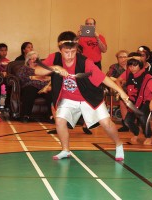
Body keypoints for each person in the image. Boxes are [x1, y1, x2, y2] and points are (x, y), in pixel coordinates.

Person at [42, 31, 128, 161]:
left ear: (76, 48)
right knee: (59, 120)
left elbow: (103, 78)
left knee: (106, 123)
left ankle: (118, 144)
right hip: (68, 99)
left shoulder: (85, 62)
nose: (70, 55)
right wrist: (55, 68)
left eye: (73, 51)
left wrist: (120, 91)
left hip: (88, 97)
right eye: (66, 52)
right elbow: (38, 69)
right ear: (60, 49)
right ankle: (65, 150)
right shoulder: (54, 58)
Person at [117, 52, 152, 145]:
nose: (132, 68)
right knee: (127, 121)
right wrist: (122, 92)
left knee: (143, 118)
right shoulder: (128, 73)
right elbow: (118, 80)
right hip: (134, 101)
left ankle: (148, 136)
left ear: (140, 65)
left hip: (146, 101)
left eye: (135, 65)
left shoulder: (147, 77)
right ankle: (136, 133)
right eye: (130, 66)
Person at [17, 51, 54, 123]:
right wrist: (35, 77)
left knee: (51, 92)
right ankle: (26, 115)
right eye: (32, 59)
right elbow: (20, 77)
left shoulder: (43, 68)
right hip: (31, 86)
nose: (35, 60)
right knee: (29, 90)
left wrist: (48, 83)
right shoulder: (24, 68)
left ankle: (51, 116)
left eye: (36, 59)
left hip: (44, 86)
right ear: (28, 61)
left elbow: (51, 77)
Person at [106, 50, 129, 132]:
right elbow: (108, 77)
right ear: (117, 59)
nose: (123, 59)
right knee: (123, 99)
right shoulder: (114, 67)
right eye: (120, 57)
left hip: (131, 88)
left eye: (125, 57)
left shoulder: (132, 66)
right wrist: (118, 80)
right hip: (118, 88)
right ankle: (125, 123)